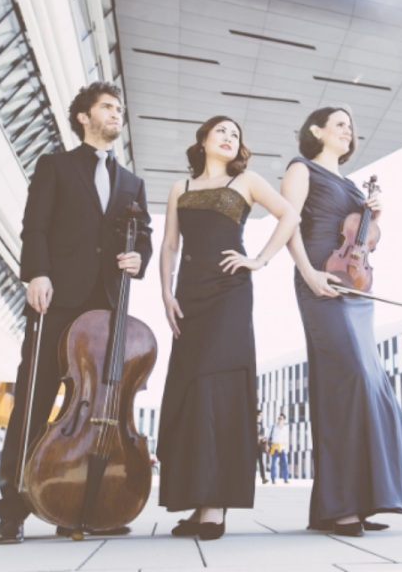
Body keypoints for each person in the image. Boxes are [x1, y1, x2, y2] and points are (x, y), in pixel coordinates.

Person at [0, 82, 153, 545]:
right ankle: (13, 510)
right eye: (107, 106)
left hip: (107, 309)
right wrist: (37, 274)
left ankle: (78, 506)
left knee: (97, 408)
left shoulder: (132, 182)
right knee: (35, 401)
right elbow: (34, 226)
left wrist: (138, 257)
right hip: (58, 299)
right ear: (84, 117)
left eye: (119, 107)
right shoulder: (55, 166)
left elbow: (141, 234)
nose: (116, 113)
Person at [281, 106, 402, 537]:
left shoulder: (350, 185)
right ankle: (340, 506)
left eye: (351, 127)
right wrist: (308, 272)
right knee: (345, 384)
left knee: (367, 386)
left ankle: (356, 502)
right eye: (341, 124)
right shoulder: (300, 168)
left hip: (356, 288)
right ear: (317, 130)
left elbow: (361, 240)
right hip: (320, 281)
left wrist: (375, 216)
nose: (349, 131)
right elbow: (289, 223)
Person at [157, 115, 299, 542]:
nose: (229, 137)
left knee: (216, 389)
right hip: (189, 296)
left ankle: (214, 505)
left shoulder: (248, 181)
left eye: (236, 134)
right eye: (221, 131)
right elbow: (169, 245)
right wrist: (165, 294)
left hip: (229, 294)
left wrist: (259, 259)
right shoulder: (179, 188)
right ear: (203, 140)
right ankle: (195, 499)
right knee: (190, 391)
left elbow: (289, 215)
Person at [268, 414, 289, 484]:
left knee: (285, 463)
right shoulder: (273, 426)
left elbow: (286, 439)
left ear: (283, 420)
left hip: (282, 448)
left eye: (281, 418)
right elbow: (268, 436)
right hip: (274, 447)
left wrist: (286, 449)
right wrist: (267, 445)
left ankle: (285, 478)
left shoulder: (285, 428)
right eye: (279, 418)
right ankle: (273, 479)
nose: (279, 420)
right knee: (273, 464)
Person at [256, 410, 268, 484]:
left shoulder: (261, 425)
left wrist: (263, 439)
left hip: (259, 447)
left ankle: (263, 478)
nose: (261, 416)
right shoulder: (252, 424)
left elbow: (261, 435)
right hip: (252, 447)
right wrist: (258, 437)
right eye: (260, 415)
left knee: (261, 462)